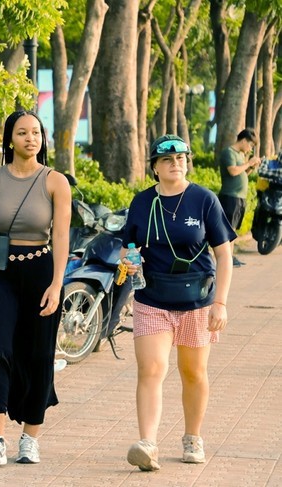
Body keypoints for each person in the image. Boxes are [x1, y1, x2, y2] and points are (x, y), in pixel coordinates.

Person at [0, 110, 71, 467]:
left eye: (36, 132)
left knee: (37, 357)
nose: (31, 138)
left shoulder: (55, 181)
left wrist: (57, 283)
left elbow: (62, 236)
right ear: (10, 139)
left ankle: (30, 438)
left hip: (40, 273)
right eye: (22, 133)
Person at [122, 134, 234, 472]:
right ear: (155, 167)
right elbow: (129, 246)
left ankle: (192, 437)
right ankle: (148, 444)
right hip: (152, 298)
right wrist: (128, 262)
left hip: (197, 300)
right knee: (152, 368)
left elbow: (224, 254)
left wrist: (221, 302)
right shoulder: (141, 203)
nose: (176, 163)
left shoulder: (204, 200)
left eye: (182, 158)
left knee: (193, 372)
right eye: (168, 159)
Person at [217, 128, 260, 267]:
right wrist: (248, 162)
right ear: (243, 140)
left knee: (233, 229)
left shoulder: (240, 156)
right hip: (230, 197)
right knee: (229, 228)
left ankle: (231, 256)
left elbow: (242, 174)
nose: (250, 149)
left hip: (239, 198)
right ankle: (226, 257)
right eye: (250, 145)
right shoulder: (229, 152)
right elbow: (233, 171)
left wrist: (251, 167)